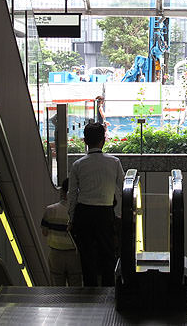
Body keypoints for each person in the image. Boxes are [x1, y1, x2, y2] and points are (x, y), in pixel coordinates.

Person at [68, 122, 124, 287]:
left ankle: (90, 289)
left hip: (83, 213)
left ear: (85, 141)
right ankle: (108, 289)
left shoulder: (78, 164)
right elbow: (123, 188)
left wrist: (71, 219)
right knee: (108, 254)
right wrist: (121, 213)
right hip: (105, 213)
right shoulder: (114, 162)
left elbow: (72, 195)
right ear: (103, 141)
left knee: (86, 255)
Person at [41, 178, 82, 286]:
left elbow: (44, 232)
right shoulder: (79, 211)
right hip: (75, 254)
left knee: (57, 287)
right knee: (76, 287)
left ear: (62, 191)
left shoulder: (50, 210)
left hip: (56, 254)